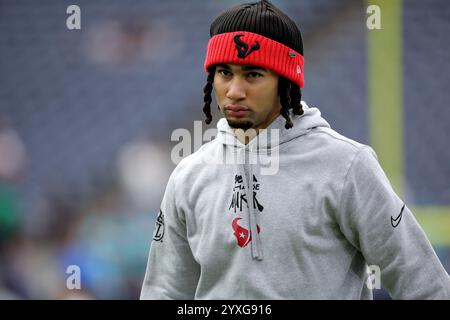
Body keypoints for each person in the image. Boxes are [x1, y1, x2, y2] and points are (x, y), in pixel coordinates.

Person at [140, 0, 450, 299]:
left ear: (286, 81)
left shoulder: (347, 166)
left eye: (252, 74)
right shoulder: (188, 177)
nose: (234, 91)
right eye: (224, 73)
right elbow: (164, 292)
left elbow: (422, 283)